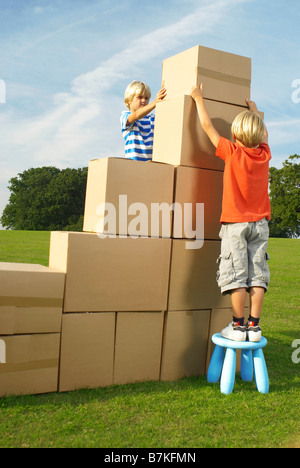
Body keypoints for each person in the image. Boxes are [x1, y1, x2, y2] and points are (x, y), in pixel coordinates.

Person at [190, 83, 271, 342]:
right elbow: (265, 135)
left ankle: (237, 326)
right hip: (260, 224)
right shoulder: (264, 154)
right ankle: (254, 327)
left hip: (236, 224)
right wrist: (255, 112)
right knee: (257, 274)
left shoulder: (232, 152)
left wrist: (198, 99)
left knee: (236, 274)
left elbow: (207, 127)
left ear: (236, 136)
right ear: (258, 137)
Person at [120, 80, 167, 161]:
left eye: (146, 98)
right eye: (140, 97)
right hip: (133, 165)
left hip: (151, 165)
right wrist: (155, 102)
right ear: (129, 100)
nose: (144, 100)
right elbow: (137, 115)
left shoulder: (152, 118)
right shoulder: (125, 116)